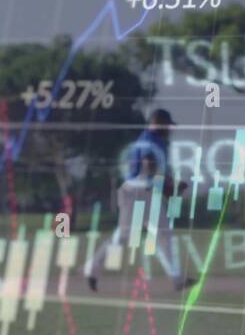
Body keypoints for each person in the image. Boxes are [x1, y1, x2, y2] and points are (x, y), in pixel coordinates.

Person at [82, 109, 196, 292]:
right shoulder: (149, 140)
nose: (169, 129)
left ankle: (177, 279)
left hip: (148, 194)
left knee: (164, 234)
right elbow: (148, 165)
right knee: (123, 237)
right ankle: (91, 270)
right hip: (134, 195)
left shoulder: (156, 140)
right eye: (167, 125)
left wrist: (168, 183)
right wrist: (170, 183)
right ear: (159, 124)